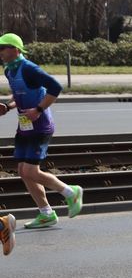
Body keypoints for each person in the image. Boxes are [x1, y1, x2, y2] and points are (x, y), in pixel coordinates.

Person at [0, 33, 83, 228]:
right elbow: (19, 94)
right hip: (24, 125)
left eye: (3, 48)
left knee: (30, 170)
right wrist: (9, 106)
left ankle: (71, 192)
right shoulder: (9, 70)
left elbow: (55, 87)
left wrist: (38, 109)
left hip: (41, 125)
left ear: (16, 49)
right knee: (23, 171)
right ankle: (46, 213)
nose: (0, 52)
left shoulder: (29, 68)